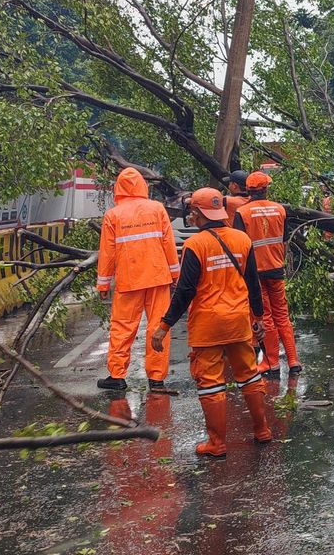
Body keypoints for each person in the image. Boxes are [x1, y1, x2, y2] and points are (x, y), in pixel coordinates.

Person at [150, 188, 270, 457]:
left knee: (212, 384)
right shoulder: (242, 240)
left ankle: (217, 443)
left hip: (208, 325)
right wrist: (258, 317)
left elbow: (185, 291)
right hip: (238, 321)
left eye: (192, 211)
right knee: (249, 375)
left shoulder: (195, 245)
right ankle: (262, 430)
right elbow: (253, 283)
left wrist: (164, 326)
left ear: (197, 213)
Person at [95, 168, 180, 392]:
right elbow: (168, 244)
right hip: (158, 277)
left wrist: (103, 283)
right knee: (159, 326)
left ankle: (117, 376)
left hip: (129, 280)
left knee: (122, 327)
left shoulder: (113, 215)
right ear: (142, 185)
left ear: (119, 188)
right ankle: (157, 378)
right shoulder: (157, 209)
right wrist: (175, 274)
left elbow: (107, 253)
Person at [234, 171, 300, 380]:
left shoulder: (242, 213)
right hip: (276, 269)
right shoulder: (279, 209)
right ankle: (293, 361)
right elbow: (285, 240)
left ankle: (271, 363)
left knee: (265, 317)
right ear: (266, 189)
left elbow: (239, 245)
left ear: (248, 190)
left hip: (255, 273)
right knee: (282, 315)